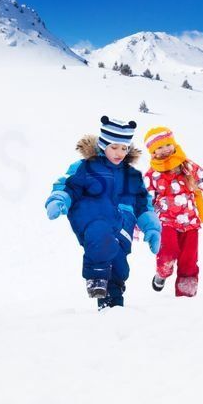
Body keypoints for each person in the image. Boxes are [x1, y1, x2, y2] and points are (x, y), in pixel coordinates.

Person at [45, 117, 162, 310]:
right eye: (114, 147)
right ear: (103, 145)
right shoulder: (87, 167)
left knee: (119, 266)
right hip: (93, 215)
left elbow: (143, 203)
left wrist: (151, 228)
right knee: (101, 235)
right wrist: (59, 199)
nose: (119, 153)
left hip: (123, 222)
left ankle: (112, 307)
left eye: (124, 148)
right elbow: (69, 185)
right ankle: (96, 277)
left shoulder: (132, 176)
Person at [142, 126, 203, 297]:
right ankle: (162, 273)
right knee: (167, 253)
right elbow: (143, 201)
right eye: (159, 147)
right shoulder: (152, 175)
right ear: (153, 152)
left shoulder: (187, 166)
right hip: (165, 222)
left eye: (168, 144)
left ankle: (186, 297)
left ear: (174, 143)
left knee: (189, 261)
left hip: (190, 222)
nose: (165, 149)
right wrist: (139, 222)